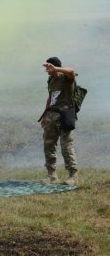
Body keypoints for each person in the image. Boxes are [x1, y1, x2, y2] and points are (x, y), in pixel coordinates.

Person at [40, 57, 78, 185]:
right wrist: (45, 115)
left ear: (54, 66)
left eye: (48, 67)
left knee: (66, 145)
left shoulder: (65, 77)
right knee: (49, 145)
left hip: (65, 114)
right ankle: (52, 175)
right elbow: (50, 97)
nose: (47, 70)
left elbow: (72, 71)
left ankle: (73, 175)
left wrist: (56, 69)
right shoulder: (51, 80)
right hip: (52, 114)